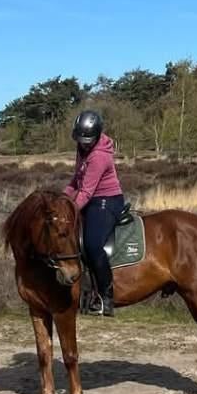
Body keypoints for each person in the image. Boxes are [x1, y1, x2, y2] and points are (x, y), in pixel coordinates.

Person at [63, 109, 124, 316]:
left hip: (107, 201)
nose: (84, 144)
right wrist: (62, 200)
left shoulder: (99, 157)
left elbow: (87, 191)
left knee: (92, 243)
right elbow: (76, 181)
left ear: (97, 136)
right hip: (90, 198)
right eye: (81, 140)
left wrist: (70, 210)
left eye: (88, 141)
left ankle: (106, 297)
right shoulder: (81, 149)